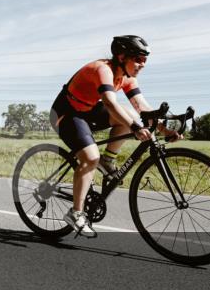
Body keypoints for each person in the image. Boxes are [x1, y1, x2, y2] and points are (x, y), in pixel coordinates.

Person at [51, 35, 181, 238]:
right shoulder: (102, 69)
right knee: (90, 157)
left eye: (145, 60)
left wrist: (166, 130)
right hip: (66, 113)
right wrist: (135, 127)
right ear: (121, 56)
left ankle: (108, 160)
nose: (142, 65)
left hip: (89, 109)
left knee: (131, 117)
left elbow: (142, 109)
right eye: (138, 59)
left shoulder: (127, 77)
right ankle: (76, 213)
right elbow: (110, 103)